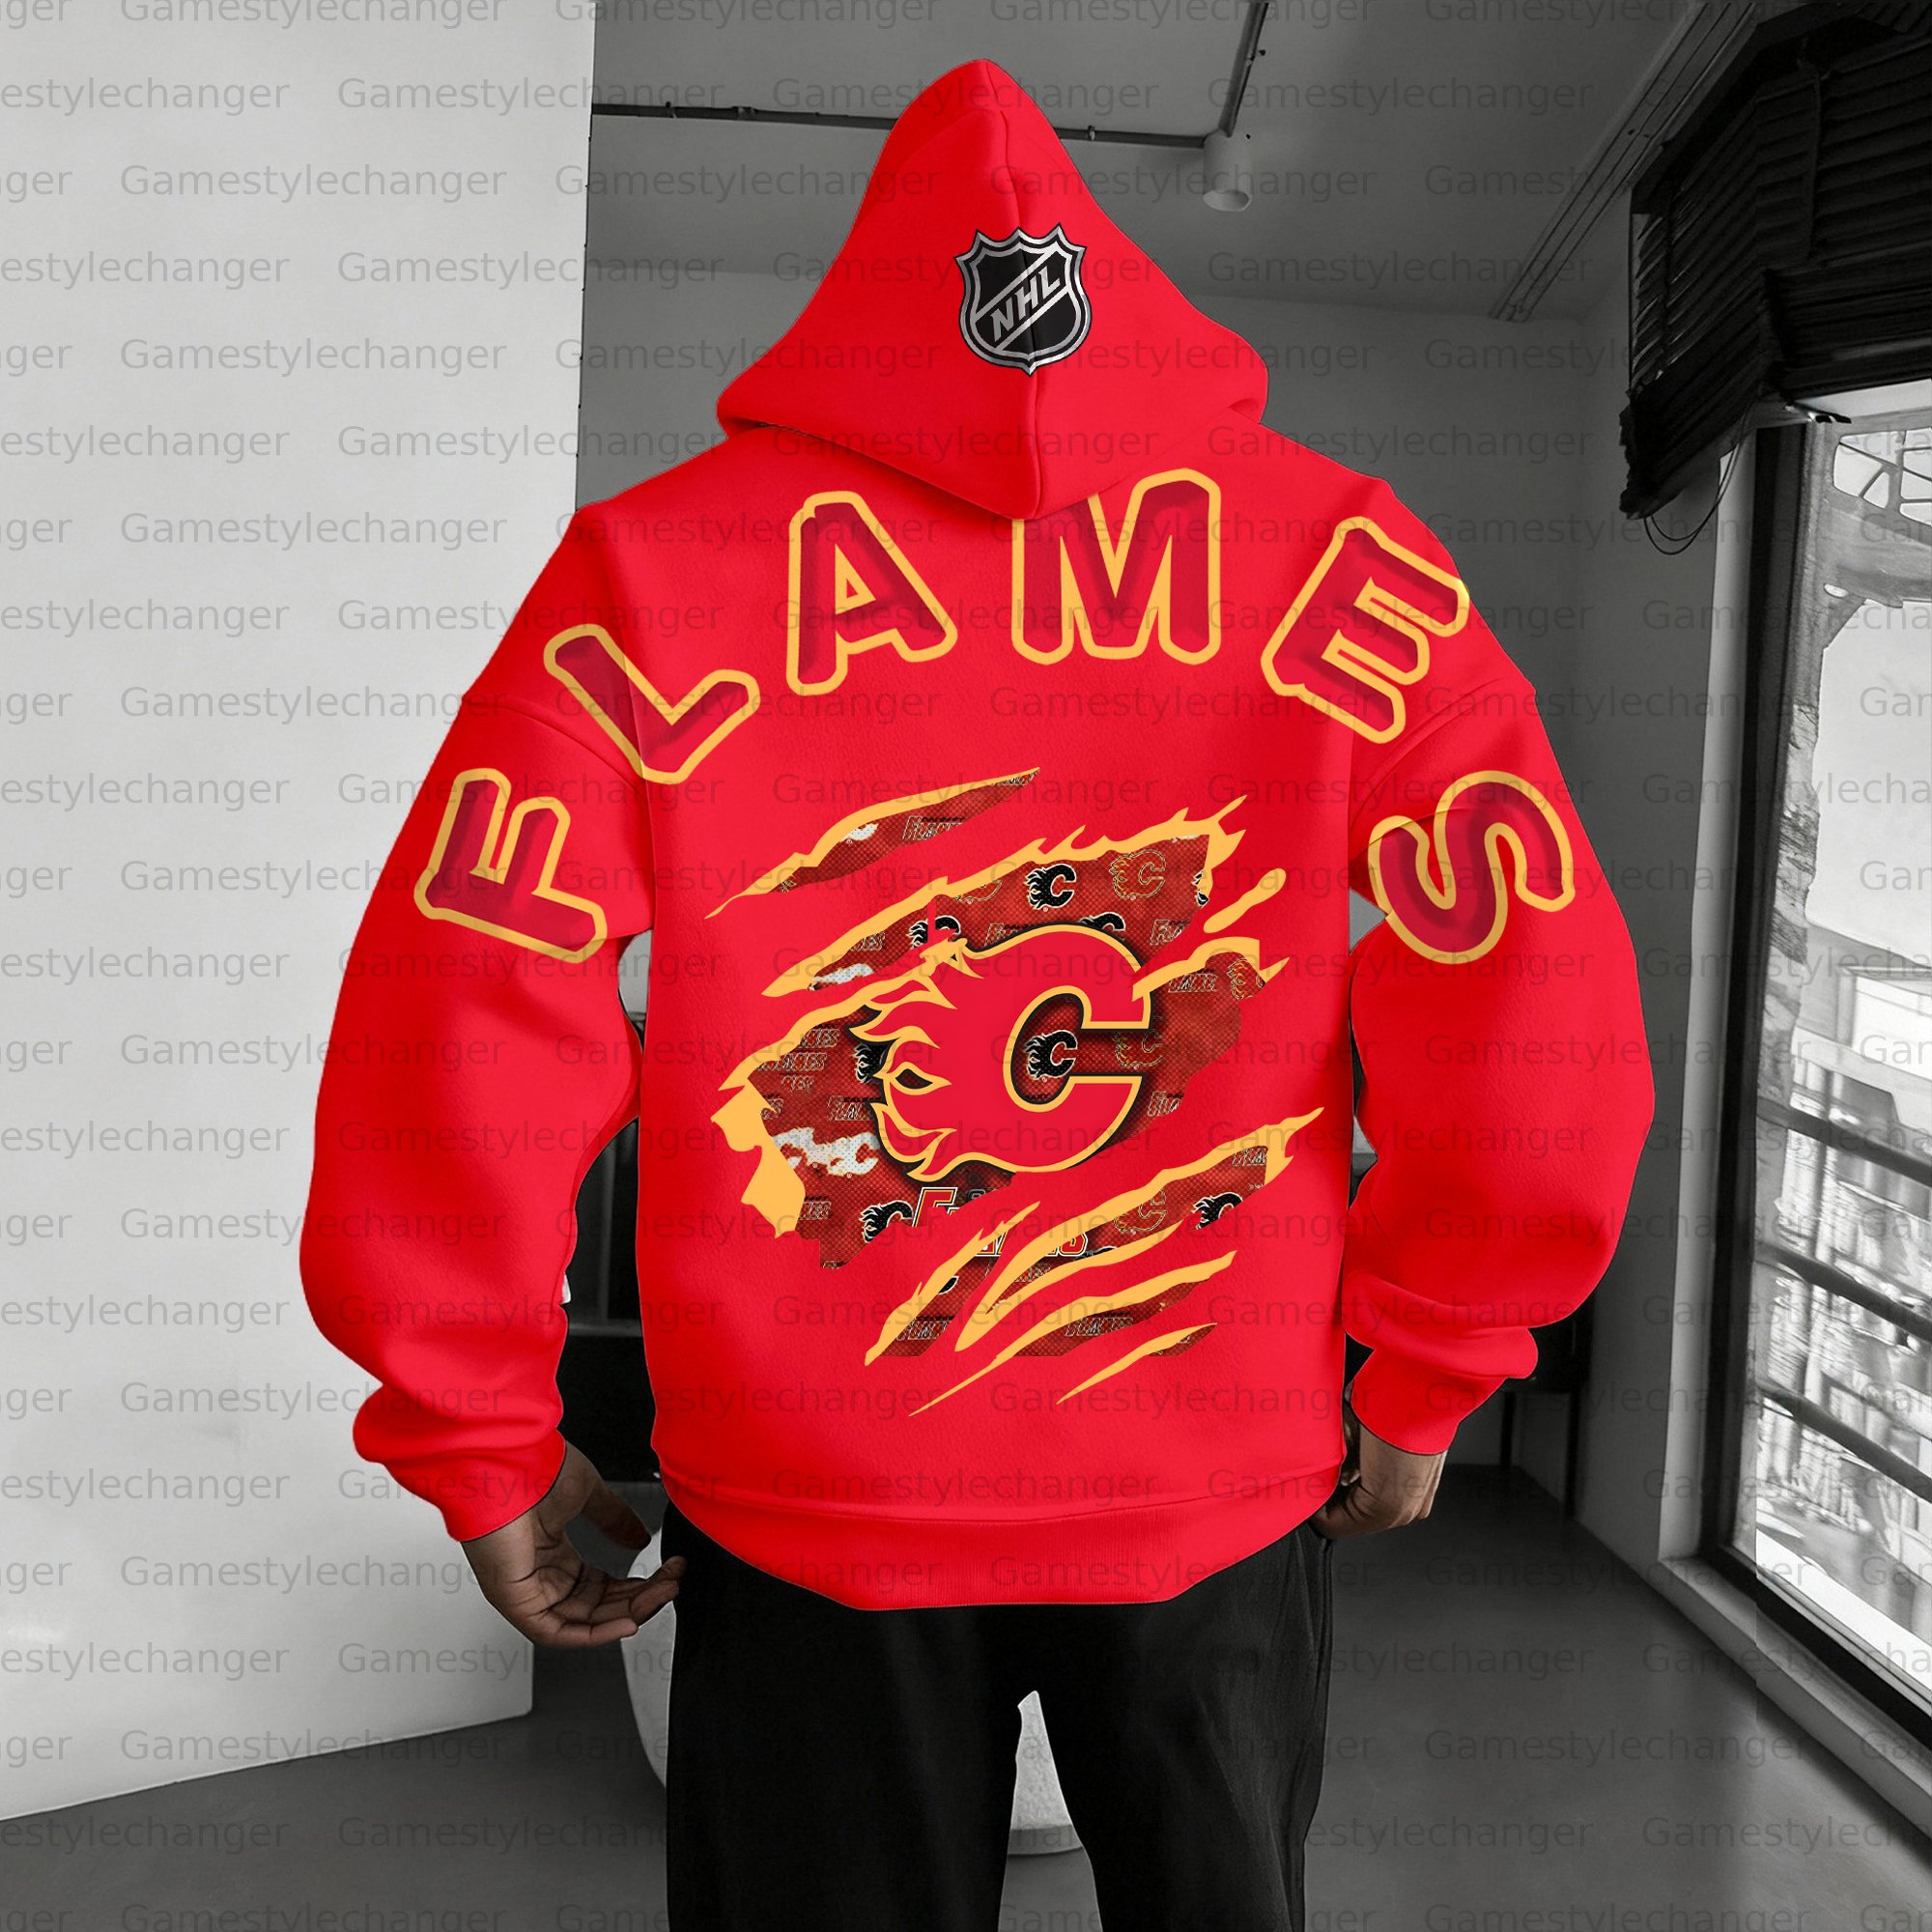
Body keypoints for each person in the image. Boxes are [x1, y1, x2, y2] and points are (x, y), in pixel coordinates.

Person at [301, 59, 1651, 1932]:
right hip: (1211, 1473)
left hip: (809, 1485)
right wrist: (1439, 1354)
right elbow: (1521, 963)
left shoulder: (649, 574)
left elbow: (461, 999)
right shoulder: (1344, 561)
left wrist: (479, 1428)